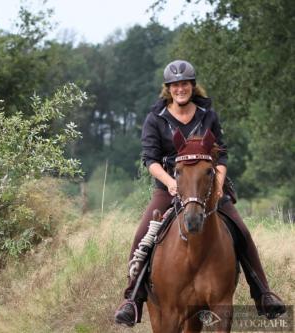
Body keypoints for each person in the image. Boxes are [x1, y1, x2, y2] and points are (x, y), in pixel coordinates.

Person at [114, 60, 286, 326]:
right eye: (175, 85)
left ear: (192, 86)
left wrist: (218, 184)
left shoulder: (208, 115)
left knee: (241, 230)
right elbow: (151, 160)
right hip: (170, 187)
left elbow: (222, 155)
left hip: (207, 187)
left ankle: (262, 293)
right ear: (168, 89)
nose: (180, 89)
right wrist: (170, 182)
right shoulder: (155, 119)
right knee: (142, 236)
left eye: (185, 84)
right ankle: (132, 299)